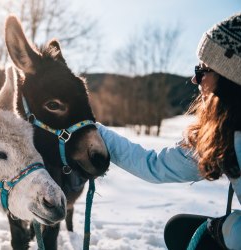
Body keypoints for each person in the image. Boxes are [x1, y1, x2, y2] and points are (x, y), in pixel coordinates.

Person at [97, 13, 241, 250]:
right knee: (179, 230)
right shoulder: (221, 135)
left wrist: (232, 227)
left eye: (203, 69)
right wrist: (96, 131)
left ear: (230, 76)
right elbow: (153, 165)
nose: (195, 79)